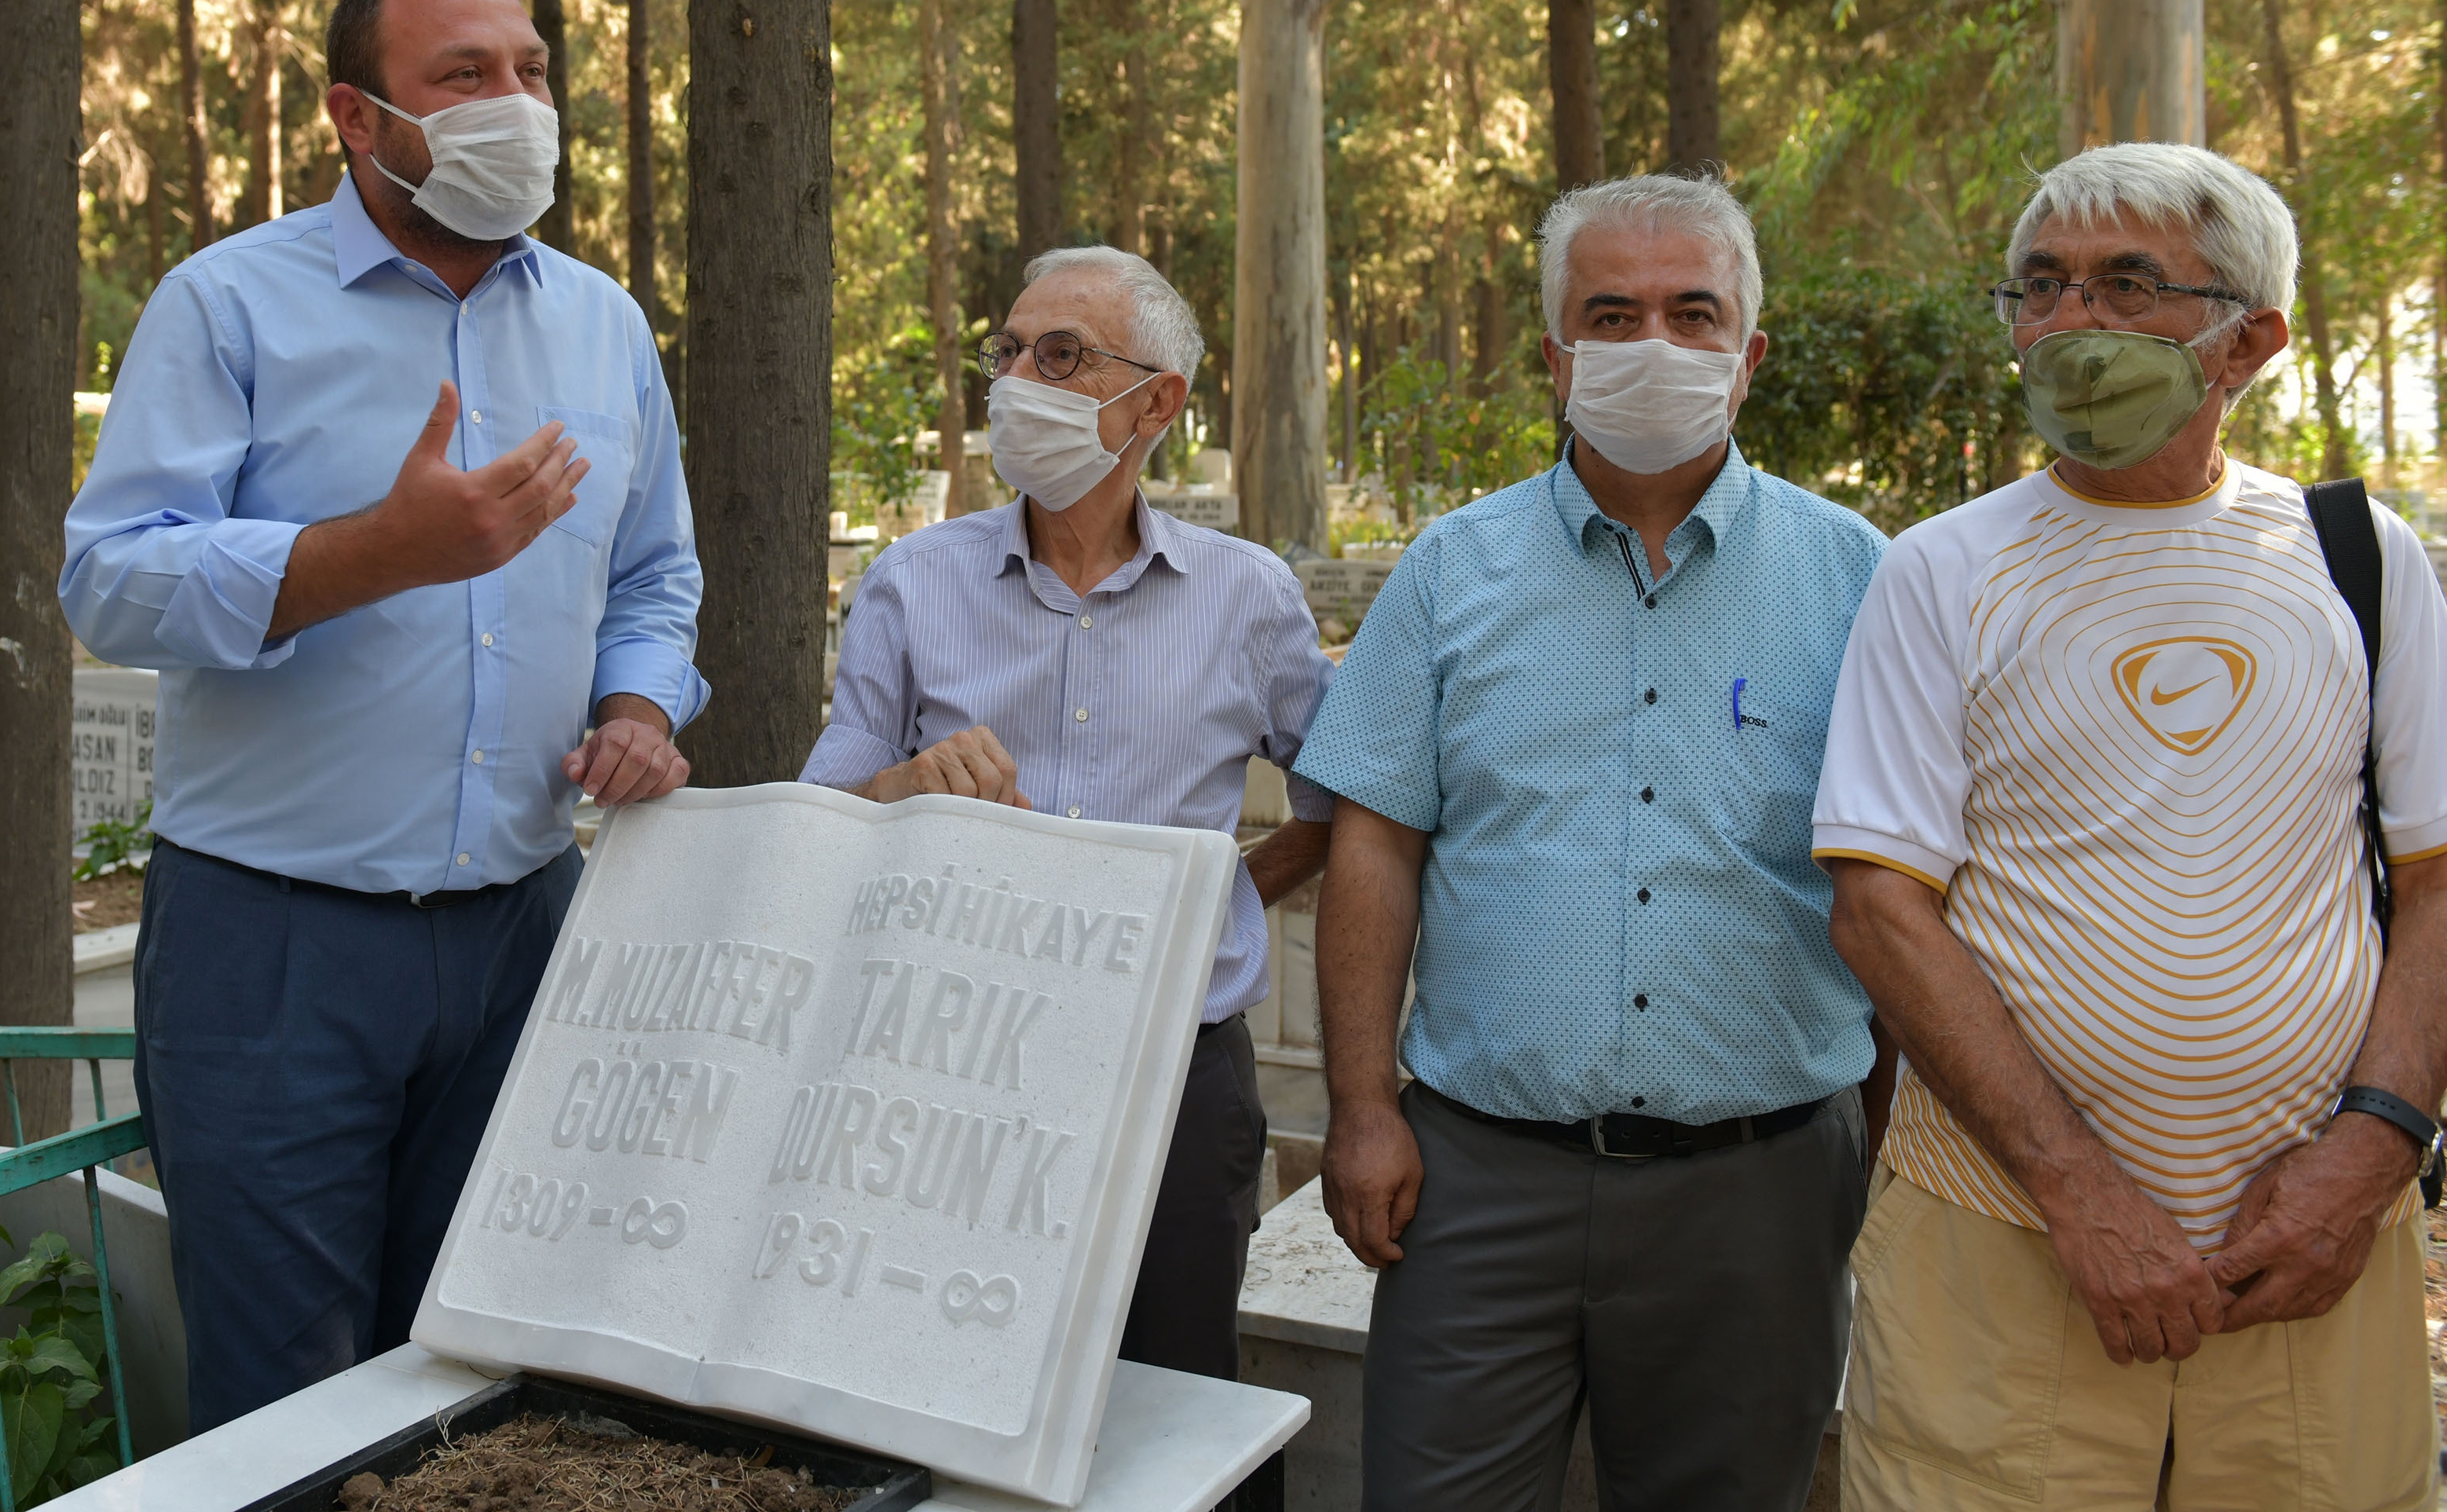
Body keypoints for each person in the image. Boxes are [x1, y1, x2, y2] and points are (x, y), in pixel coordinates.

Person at [60, 0, 703, 1431]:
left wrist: (639, 709)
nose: (516, 106)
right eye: (463, 78)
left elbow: (655, 579)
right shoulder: (231, 306)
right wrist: (374, 555)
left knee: (481, 1372)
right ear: (362, 120)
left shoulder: (604, 324)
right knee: (286, 1396)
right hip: (276, 944)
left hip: (523, 934)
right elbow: (110, 581)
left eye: (532, 72)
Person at [1814, 141, 2447, 1510]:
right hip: (2002, 1238)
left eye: (2128, 286)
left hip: (2314, 1245)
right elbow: (1878, 903)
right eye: (2041, 287)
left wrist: (2376, 1148)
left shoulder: (2359, 560)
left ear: (2249, 342)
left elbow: (2439, 881)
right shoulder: (1946, 569)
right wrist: (2080, 1193)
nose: (2071, 325)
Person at [1298, 173, 1888, 1510]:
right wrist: (1360, 1108)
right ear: (1558, 355)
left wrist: (1891, 1148)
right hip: (1477, 1181)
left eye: (1694, 313)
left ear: (1750, 353)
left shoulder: (1860, 578)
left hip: (1759, 1190)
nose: (1654, 347)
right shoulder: (1454, 570)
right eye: (1611, 315)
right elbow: (1374, 847)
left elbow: (1901, 881)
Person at [800, 245, 1334, 1379]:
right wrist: (903, 788)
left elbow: (1340, 809)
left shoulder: (1248, 598)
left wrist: (1221, 896)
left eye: (1062, 355)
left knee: (1176, 1394)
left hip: (1173, 1076)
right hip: (953, 1067)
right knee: (946, 1377)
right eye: (1007, 352)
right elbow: (821, 818)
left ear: (1159, 403)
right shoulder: (911, 582)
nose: (1016, 383)